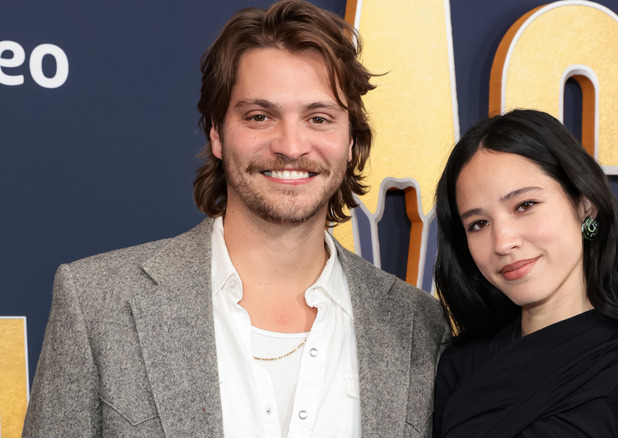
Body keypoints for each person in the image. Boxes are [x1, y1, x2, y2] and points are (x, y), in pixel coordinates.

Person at [23, 2, 448, 437]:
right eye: (260, 116)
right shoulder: (97, 304)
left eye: (318, 118)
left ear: (351, 140)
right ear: (217, 134)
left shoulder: (418, 325)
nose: (290, 145)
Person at [431, 109, 618, 437]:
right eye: (478, 224)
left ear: (584, 204)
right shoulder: (457, 369)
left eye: (525, 205)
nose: (503, 242)